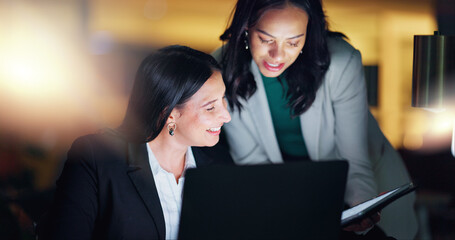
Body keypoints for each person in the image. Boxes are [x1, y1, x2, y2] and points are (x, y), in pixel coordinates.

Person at [214, 0, 417, 239]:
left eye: (293, 42)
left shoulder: (342, 62)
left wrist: (361, 208)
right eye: (266, 39)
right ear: (246, 28)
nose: (277, 55)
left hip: (364, 180)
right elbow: (252, 162)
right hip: (285, 187)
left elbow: (354, 160)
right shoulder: (224, 67)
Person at [37, 45, 232, 240]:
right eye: (210, 107)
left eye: (223, 99)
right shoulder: (96, 158)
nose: (226, 116)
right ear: (169, 114)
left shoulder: (220, 163)